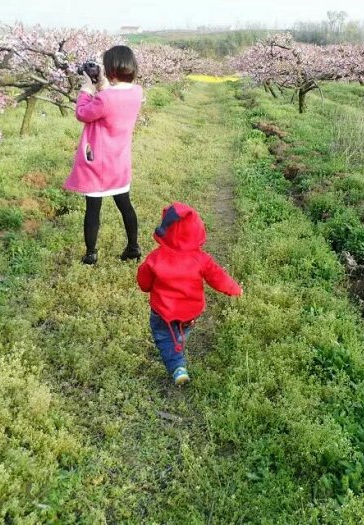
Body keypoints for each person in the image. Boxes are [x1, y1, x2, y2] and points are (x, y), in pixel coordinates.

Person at [137, 203, 243, 385]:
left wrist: (148, 287)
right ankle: (179, 343)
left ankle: (177, 366)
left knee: (163, 338)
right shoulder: (201, 259)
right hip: (190, 312)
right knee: (180, 333)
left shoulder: (155, 258)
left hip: (163, 313)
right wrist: (235, 289)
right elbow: (219, 278)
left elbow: (144, 282)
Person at [63, 45, 143, 265]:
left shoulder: (104, 98)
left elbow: (83, 114)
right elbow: (114, 96)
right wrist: (103, 85)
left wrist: (87, 90)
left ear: (109, 69)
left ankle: (91, 254)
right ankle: (133, 247)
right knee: (125, 205)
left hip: (97, 162)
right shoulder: (137, 92)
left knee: (93, 209)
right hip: (120, 161)